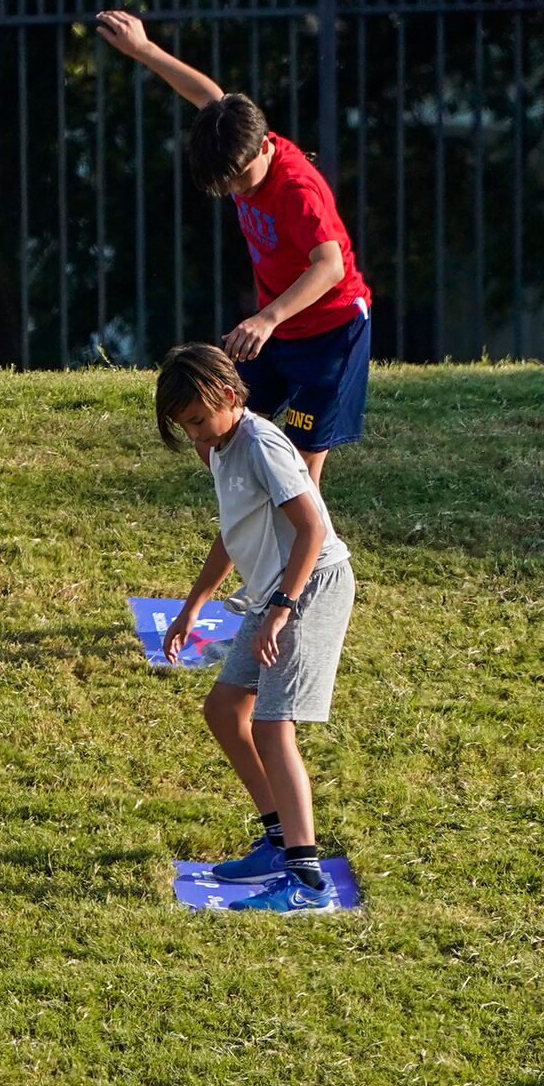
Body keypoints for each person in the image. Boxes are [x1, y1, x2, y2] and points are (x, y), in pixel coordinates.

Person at [98, 10, 372, 482]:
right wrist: (144, 49)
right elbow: (207, 96)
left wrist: (266, 318)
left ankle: (310, 555)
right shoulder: (238, 132)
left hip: (331, 332)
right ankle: (249, 534)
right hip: (275, 332)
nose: (238, 193)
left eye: (242, 181)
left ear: (266, 147)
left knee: (300, 468)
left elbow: (328, 266)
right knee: (222, 437)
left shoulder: (296, 190)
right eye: (228, 186)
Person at [155, 343, 357, 913]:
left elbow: (313, 527)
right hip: (276, 591)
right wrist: (194, 605)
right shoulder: (218, 446)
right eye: (184, 428)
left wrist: (281, 609)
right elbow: (233, 530)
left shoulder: (262, 444)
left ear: (225, 396)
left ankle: (307, 880)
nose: (194, 436)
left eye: (196, 421)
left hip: (310, 586)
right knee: (223, 710)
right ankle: (276, 842)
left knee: (273, 726)